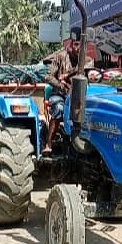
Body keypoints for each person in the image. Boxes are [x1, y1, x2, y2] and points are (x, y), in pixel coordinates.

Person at [42, 26, 91, 154]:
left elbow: (93, 77)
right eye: (75, 44)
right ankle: (49, 143)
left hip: (79, 97)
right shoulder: (61, 56)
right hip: (61, 94)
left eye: (81, 45)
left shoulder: (86, 61)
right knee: (59, 108)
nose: (78, 48)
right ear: (70, 43)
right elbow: (48, 76)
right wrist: (60, 85)